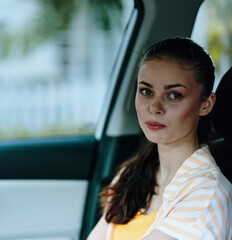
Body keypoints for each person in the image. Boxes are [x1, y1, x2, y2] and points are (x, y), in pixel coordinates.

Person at [87, 37, 232, 240]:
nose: (155, 108)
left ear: (205, 104)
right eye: (146, 91)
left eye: (174, 95)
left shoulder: (208, 193)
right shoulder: (131, 174)